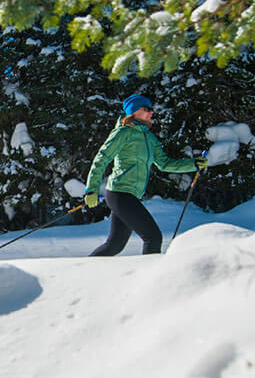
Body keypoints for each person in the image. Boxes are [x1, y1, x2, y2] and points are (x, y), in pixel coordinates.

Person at [83, 94, 208, 256]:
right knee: (153, 237)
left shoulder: (149, 138)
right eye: (146, 109)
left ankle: (84, 272)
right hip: (119, 193)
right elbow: (101, 159)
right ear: (133, 112)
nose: (151, 112)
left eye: (151, 109)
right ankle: (153, 279)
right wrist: (91, 189)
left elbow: (165, 163)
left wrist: (193, 164)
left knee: (115, 245)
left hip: (131, 195)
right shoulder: (123, 133)